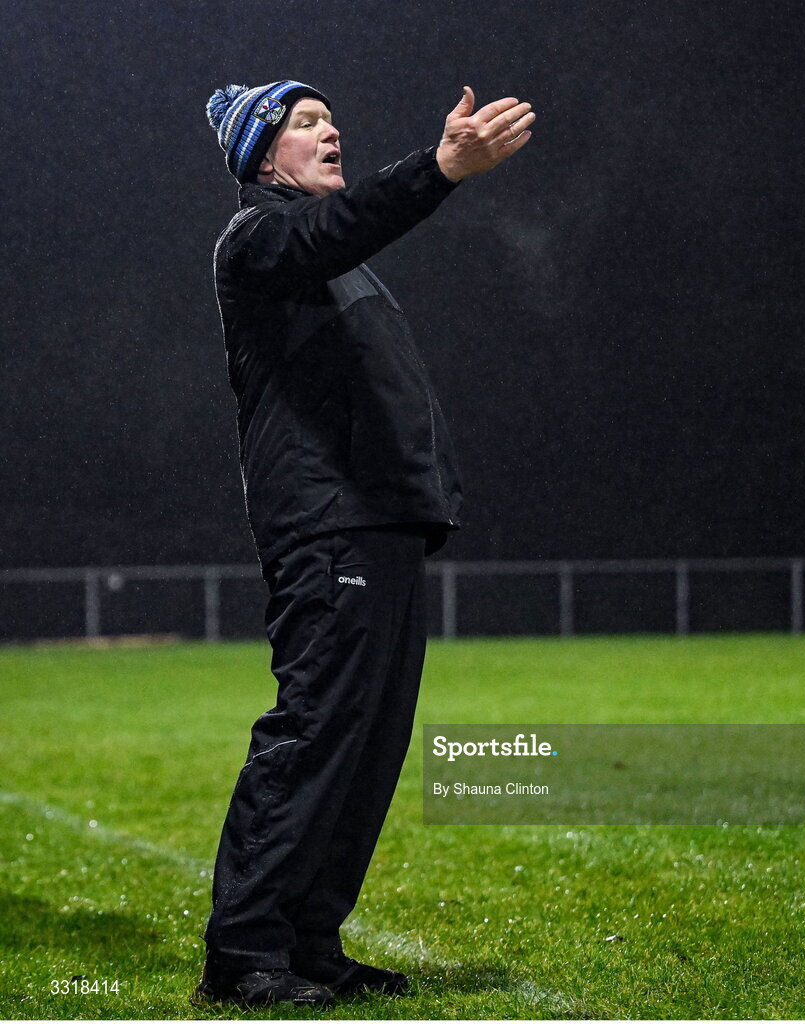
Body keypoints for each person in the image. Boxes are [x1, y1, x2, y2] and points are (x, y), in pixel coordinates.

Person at [195, 78, 535, 1009]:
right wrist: (436, 169)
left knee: (368, 744)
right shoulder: (261, 237)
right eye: (304, 122)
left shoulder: (337, 260)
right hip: (327, 525)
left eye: (329, 116)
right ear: (263, 158)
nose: (330, 126)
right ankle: (244, 955)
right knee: (313, 734)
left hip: (377, 524)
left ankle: (308, 942)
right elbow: (331, 232)